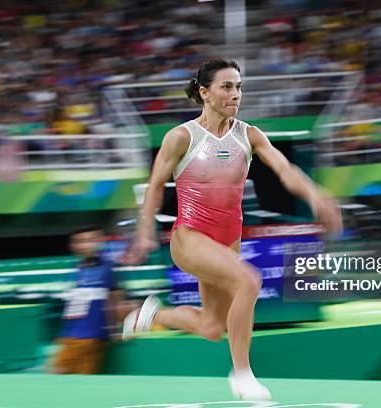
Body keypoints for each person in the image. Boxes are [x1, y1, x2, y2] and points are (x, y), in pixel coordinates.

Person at [122, 59, 342, 400]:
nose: (235, 94)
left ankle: (152, 314)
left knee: (212, 328)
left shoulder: (249, 134)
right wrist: (144, 231)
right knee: (249, 280)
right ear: (204, 92)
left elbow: (286, 170)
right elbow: (154, 186)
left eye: (239, 87)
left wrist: (315, 194)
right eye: (227, 87)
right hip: (190, 237)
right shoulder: (181, 137)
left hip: (228, 243)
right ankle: (242, 374)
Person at [53, 226, 129, 374]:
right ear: (72, 245)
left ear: (100, 241)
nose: (86, 245)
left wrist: (114, 331)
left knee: (58, 374)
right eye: (80, 241)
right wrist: (62, 333)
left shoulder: (108, 268)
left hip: (90, 337)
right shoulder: (74, 269)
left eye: (91, 240)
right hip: (70, 337)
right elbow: (71, 306)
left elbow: (114, 301)